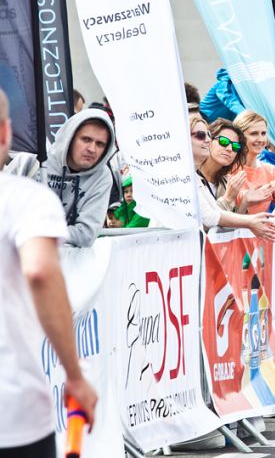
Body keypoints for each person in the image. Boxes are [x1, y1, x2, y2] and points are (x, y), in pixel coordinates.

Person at [0, 88, 99, 457]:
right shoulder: (25, 198)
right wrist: (74, 374)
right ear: (6, 133)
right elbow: (40, 271)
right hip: (12, 411)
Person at [5, 109, 115, 248]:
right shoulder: (31, 160)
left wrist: (38, 232)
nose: (92, 149)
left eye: (100, 144)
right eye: (86, 139)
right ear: (70, 138)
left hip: (64, 265)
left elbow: (86, 234)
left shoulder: (102, 177)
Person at [189, 115, 275, 240]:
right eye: (223, 142)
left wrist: (245, 202)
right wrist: (228, 199)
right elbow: (207, 220)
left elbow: (229, 230)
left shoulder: (226, 180)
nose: (229, 149)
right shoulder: (190, 176)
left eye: (235, 147)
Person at [233, 110, 275, 218]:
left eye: (263, 133)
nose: (260, 139)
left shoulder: (270, 170)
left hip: (262, 234)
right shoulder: (228, 168)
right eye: (254, 133)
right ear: (239, 136)